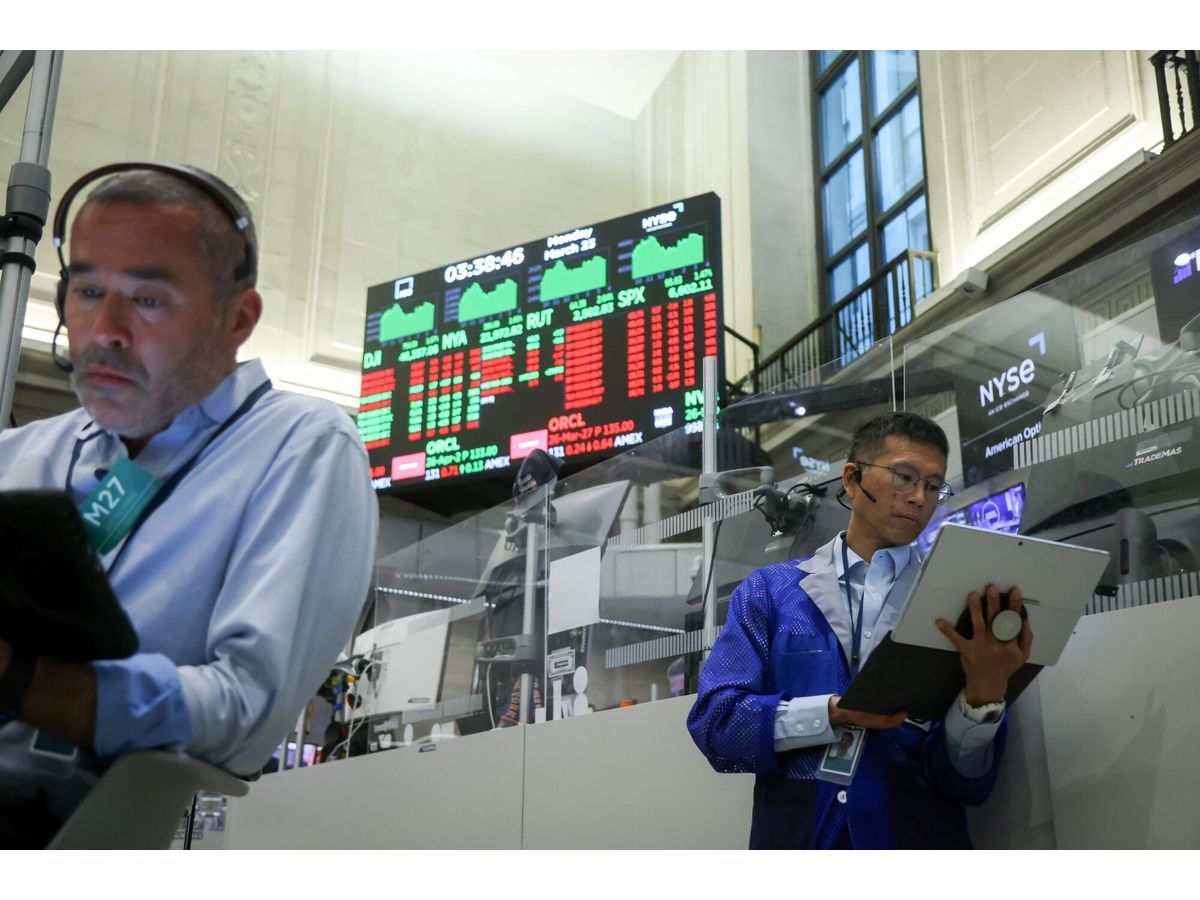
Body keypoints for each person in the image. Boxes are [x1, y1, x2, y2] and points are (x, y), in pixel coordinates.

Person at [0, 163, 378, 847]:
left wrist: (26, 681)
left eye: (148, 299)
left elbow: (244, 708)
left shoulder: (302, 448)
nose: (105, 329)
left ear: (238, 318)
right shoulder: (22, 455)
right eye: (87, 290)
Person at [686, 411, 1033, 849]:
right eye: (904, 477)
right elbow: (717, 724)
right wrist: (829, 714)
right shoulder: (770, 592)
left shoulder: (957, 607)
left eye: (932, 485)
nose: (919, 498)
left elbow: (966, 781)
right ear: (852, 479)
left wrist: (982, 701)